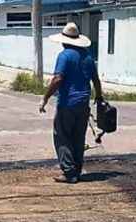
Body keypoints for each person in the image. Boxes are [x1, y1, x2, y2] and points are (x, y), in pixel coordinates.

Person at [39, 23, 104, 184]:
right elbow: (95, 79)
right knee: (78, 137)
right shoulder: (88, 57)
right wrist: (99, 96)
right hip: (83, 103)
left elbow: (58, 78)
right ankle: (77, 169)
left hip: (67, 103)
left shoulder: (64, 56)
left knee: (61, 136)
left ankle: (69, 172)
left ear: (64, 41)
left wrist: (45, 98)